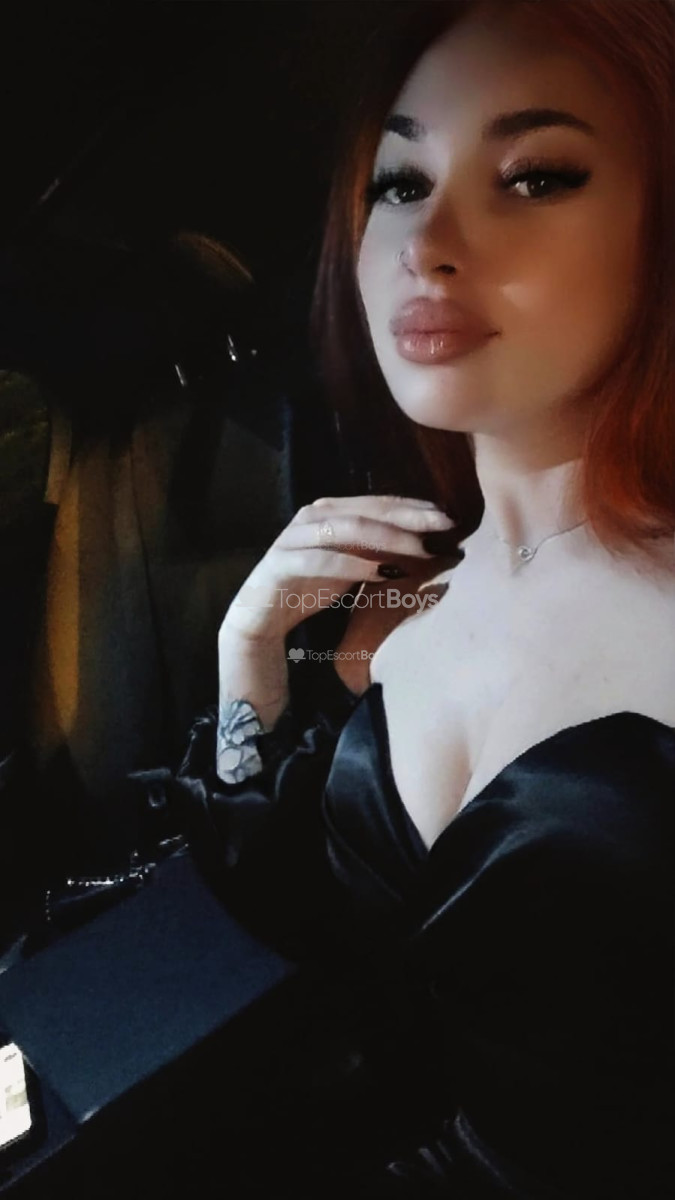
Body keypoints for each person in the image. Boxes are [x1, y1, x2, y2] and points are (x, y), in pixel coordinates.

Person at [164, 1, 675, 1195]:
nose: (428, 240)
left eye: (536, 176)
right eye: (398, 183)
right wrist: (250, 655)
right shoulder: (398, 602)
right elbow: (300, 921)